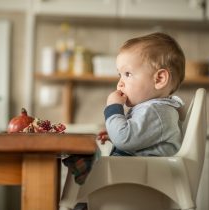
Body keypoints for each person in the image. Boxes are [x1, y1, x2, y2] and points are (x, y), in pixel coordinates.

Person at [62, 32, 185, 210]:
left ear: (159, 79)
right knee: (86, 159)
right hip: (138, 177)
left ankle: (78, 201)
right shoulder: (155, 109)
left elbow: (125, 139)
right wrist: (115, 136)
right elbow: (135, 138)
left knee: (84, 162)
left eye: (127, 74)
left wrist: (113, 108)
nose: (120, 83)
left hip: (141, 183)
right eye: (120, 75)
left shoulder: (155, 111)